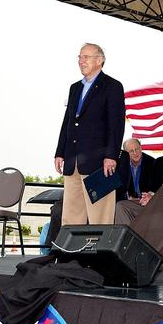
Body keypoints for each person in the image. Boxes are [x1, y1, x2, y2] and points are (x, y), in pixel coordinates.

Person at [54, 43, 125, 225]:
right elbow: (67, 121)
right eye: (79, 57)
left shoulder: (112, 86)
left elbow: (116, 125)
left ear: (99, 60)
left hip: (99, 163)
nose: (81, 61)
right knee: (70, 215)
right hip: (73, 161)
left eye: (86, 57)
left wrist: (111, 156)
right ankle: (71, 253)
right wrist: (60, 152)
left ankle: (99, 254)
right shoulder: (74, 88)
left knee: (100, 216)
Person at [115, 126, 163, 225]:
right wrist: (149, 195)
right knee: (121, 206)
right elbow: (152, 187)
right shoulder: (160, 162)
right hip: (152, 203)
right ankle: (129, 239)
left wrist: (155, 197)